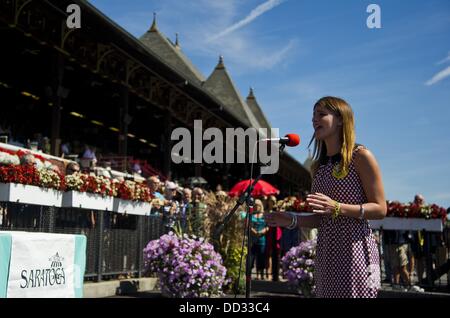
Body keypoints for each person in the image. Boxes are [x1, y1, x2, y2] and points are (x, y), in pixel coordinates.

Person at [265, 96, 386, 298]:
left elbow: (380, 209)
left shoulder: (360, 156)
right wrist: (292, 219)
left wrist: (338, 207)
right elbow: (322, 218)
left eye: (321, 114)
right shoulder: (319, 168)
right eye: (313, 115)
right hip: (327, 253)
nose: (314, 120)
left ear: (340, 119)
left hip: (355, 250)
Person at [251, 199, 269, 280]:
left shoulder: (264, 215)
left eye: (258, 205)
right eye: (255, 205)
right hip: (253, 239)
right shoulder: (251, 215)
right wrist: (253, 231)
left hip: (262, 239)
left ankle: (261, 274)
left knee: (261, 257)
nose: (256, 207)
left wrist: (263, 231)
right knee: (252, 257)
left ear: (260, 206)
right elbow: (249, 225)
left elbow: (267, 226)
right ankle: (255, 274)